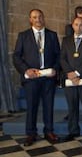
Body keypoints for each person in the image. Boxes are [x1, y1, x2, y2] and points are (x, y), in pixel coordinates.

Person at [13, 9, 60, 146]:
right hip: (32, 78)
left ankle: (49, 131)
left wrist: (55, 69)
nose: (38, 19)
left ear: (43, 18)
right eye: (34, 17)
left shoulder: (52, 35)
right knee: (32, 107)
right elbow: (16, 56)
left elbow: (58, 55)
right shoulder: (23, 36)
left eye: (40, 17)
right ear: (30, 20)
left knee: (48, 106)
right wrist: (26, 70)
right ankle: (31, 133)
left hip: (48, 78)